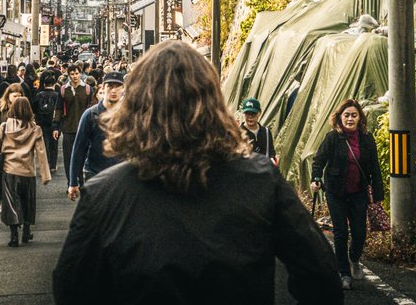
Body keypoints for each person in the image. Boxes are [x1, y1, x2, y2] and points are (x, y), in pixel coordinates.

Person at [52, 41, 340, 304]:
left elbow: (71, 288)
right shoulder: (260, 180)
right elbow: (321, 274)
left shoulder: (104, 193)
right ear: (214, 104)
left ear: (136, 108)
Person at [310, 99, 384, 291]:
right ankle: (344, 273)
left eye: (354, 115)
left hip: (358, 192)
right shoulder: (332, 138)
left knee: (360, 233)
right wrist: (316, 178)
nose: (350, 118)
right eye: (346, 115)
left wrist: (377, 191)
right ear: (339, 118)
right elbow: (319, 160)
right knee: (341, 232)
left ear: (360, 118)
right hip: (336, 193)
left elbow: (375, 167)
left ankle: (354, 258)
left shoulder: (367, 139)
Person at [0, 96, 51, 246]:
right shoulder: (35, 129)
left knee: (11, 203)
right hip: (28, 171)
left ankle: (14, 235)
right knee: (27, 201)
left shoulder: (4, 127)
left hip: (9, 170)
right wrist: (45, 175)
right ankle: (27, 231)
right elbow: (41, 152)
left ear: (12, 109)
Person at [66, 70, 123, 199]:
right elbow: (78, 149)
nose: (113, 91)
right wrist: (73, 182)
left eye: (117, 86)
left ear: (123, 89)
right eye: (110, 86)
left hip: (122, 178)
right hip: (95, 174)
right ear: (103, 87)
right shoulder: (91, 115)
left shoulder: (129, 114)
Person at [55, 66, 94, 181]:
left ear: (80, 74)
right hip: (68, 129)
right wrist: (55, 126)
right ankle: (71, 181)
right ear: (68, 75)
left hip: (84, 129)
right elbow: (59, 109)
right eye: (72, 74)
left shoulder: (87, 89)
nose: (75, 76)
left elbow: (91, 108)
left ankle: (82, 180)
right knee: (69, 158)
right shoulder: (63, 90)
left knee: (83, 156)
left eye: (77, 73)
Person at [33, 73, 62, 175]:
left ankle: (45, 165)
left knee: (44, 144)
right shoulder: (57, 95)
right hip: (54, 123)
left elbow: (34, 110)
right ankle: (53, 165)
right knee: (54, 144)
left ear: (44, 84)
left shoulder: (38, 95)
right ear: (54, 84)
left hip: (41, 123)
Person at [239, 97, 278, 165]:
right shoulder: (237, 133)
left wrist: (273, 160)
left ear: (259, 113)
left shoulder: (266, 132)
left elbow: (271, 153)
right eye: (247, 114)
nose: (250, 117)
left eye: (253, 113)